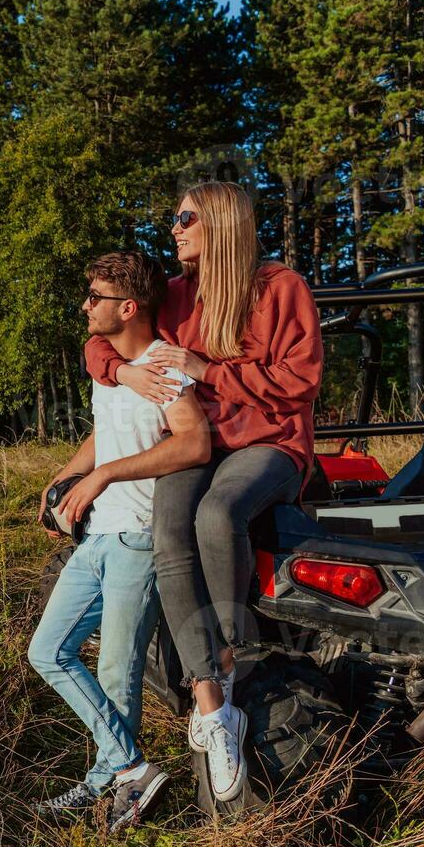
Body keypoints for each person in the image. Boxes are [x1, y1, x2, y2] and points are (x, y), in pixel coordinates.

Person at [84, 181, 324, 803]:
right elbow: (102, 329)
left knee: (217, 514)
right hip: (199, 442)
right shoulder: (174, 295)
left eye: (186, 218)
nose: (175, 229)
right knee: (170, 531)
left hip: (270, 444)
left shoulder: (279, 288)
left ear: (220, 224)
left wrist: (206, 369)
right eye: (175, 219)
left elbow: (296, 384)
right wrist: (122, 370)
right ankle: (211, 703)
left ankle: (226, 658)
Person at [29, 251, 211, 833]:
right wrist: (67, 474)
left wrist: (105, 476)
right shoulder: (112, 367)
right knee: (47, 651)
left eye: (95, 298)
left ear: (128, 307)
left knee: (116, 674)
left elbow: (193, 443)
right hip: (98, 538)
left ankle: (117, 790)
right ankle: (127, 768)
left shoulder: (163, 369)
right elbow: (103, 434)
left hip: (138, 539)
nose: (85, 306)